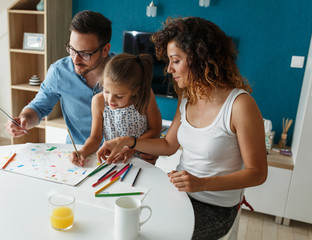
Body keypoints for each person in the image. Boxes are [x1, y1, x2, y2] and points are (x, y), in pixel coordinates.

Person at [97, 17, 267, 240]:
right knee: (123, 219)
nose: (168, 69)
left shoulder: (240, 105)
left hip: (215, 208)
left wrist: (201, 183)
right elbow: (168, 145)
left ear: (200, 59)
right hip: (180, 194)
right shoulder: (187, 96)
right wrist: (127, 141)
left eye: (175, 61)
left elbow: (258, 174)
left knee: (150, 233)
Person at [4, 11, 162, 164]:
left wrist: (143, 148)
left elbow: (152, 125)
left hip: (123, 158)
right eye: (72, 50)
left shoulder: (126, 72)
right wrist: (24, 120)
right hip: (81, 153)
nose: (75, 59)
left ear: (105, 50)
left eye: (85, 54)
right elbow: (38, 107)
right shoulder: (59, 71)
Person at [69, 53, 162, 166]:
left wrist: (132, 148)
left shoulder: (145, 96)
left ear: (135, 91)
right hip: (114, 162)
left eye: (119, 96)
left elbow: (155, 129)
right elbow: (95, 138)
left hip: (142, 161)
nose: (110, 100)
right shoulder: (98, 101)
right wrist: (82, 152)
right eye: (106, 91)